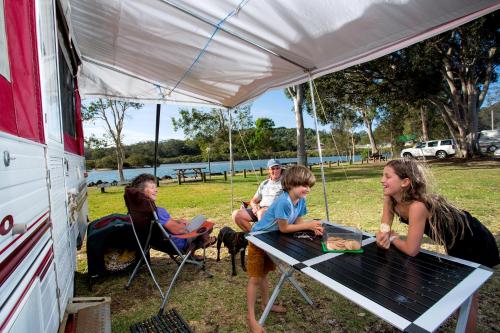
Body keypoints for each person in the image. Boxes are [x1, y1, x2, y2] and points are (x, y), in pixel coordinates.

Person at [376, 159, 499, 333]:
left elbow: (412, 250)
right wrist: (383, 233)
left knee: (464, 297)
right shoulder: (391, 198)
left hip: (475, 241)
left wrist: (394, 238)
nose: (382, 180)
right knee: (458, 293)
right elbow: (385, 225)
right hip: (455, 242)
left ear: (405, 182)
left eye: (387, 176)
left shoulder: (417, 207)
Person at [246, 165, 323, 333]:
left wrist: (311, 228)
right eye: (304, 185)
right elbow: (284, 228)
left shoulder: (301, 200)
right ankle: (251, 319)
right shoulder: (283, 202)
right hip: (258, 239)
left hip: (270, 240)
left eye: (309, 186)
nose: (307, 189)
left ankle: (266, 303)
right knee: (255, 279)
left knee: (264, 274)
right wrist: (310, 224)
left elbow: (299, 223)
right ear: (291, 184)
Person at [129, 174, 216, 253]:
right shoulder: (157, 211)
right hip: (179, 244)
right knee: (203, 221)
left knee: (195, 225)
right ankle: (204, 241)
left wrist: (177, 221)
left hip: (158, 245)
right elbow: (180, 231)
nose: (156, 190)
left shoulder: (137, 213)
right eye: (152, 187)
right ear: (142, 192)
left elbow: (161, 225)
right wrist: (186, 226)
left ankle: (201, 243)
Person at [232, 159, 284, 232]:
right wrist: (254, 206)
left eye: (277, 168)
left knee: (261, 213)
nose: (275, 171)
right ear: (268, 170)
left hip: (275, 211)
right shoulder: (264, 183)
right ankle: (255, 237)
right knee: (236, 214)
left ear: (281, 169)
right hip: (260, 210)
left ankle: (261, 238)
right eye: (272, 168)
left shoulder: (285, 182)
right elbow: (253, 200)